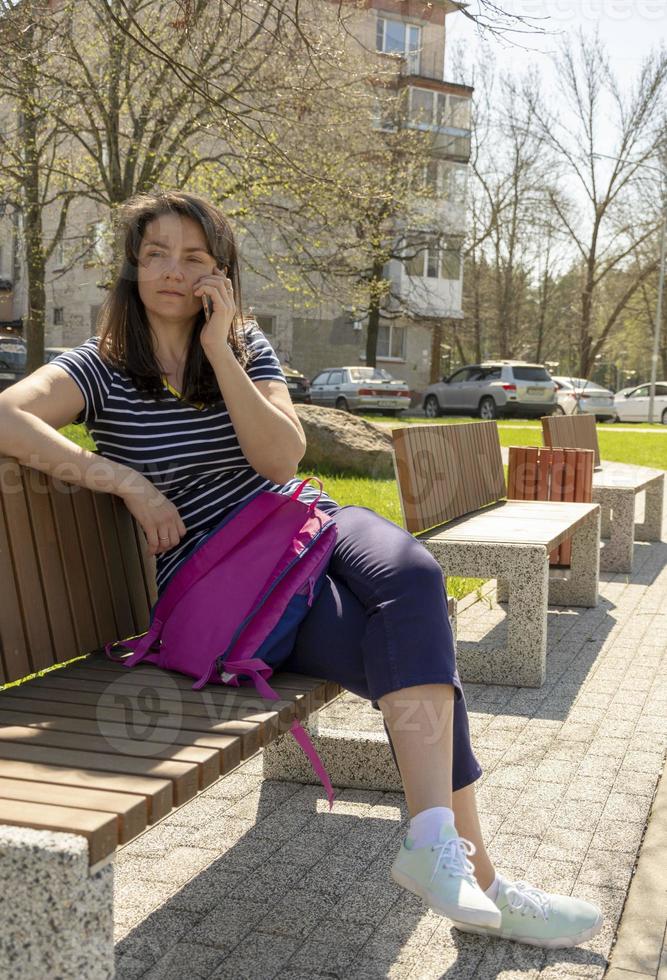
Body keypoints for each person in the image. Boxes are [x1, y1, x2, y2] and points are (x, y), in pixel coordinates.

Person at [0, 190, 603, 950]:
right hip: (230, 582)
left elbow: (279, 459)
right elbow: (5, 415)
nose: (171, 272)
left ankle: (439, 848)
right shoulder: (100, 368)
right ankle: (475, 875)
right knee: (408, 658)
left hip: (302, 525)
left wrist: (220, 351)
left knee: (413, 578)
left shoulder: (243, 347)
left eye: (193, 257)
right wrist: (124, 481)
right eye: (154, 255)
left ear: (220, 273)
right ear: (130, 267)